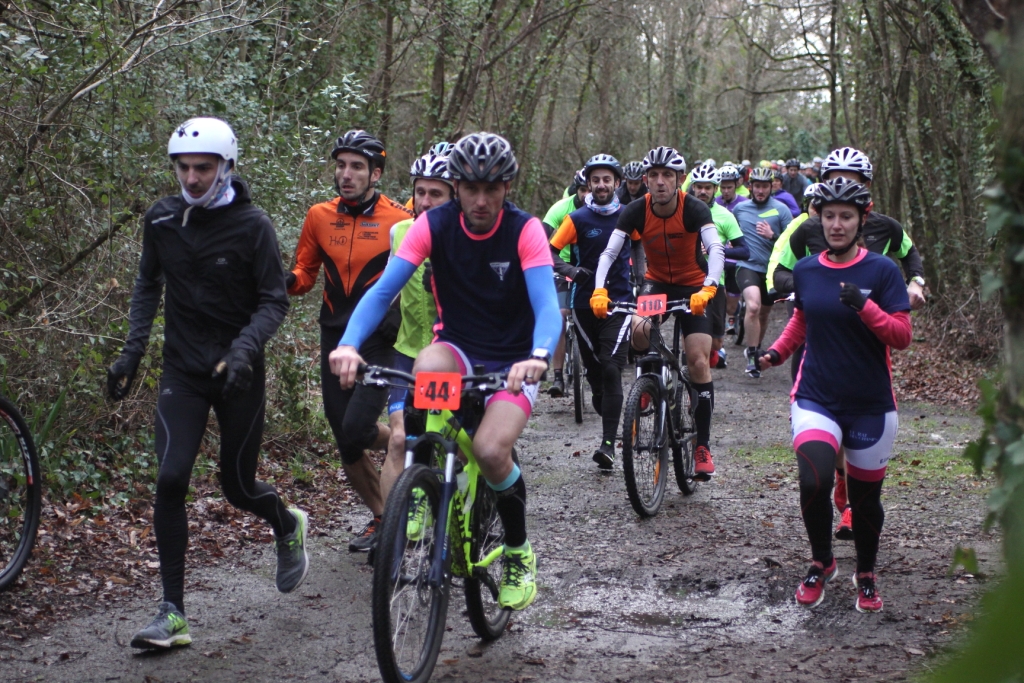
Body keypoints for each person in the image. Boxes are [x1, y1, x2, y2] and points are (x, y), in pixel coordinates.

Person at [330, 132, 560, 611]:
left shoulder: (525, 230)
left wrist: (538, 355)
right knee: (425, 368)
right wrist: (349, 343)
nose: (481, 201)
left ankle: (518, 553)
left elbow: (546, 305)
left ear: (507, 187)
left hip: (514, 359)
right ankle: (425, 479)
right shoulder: (432, 225)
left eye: (491, 189)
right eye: (470, 188)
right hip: (457, 347)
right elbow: (382, 291)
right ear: (456, 187)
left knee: (491, 451)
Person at [106, 118, 306, 650]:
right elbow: (147, 284)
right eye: (184, 167)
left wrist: (244, 349)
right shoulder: (161, 219)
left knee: (237, 487)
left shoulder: (253, 225)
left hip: (239, 373)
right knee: (171, 479)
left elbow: (274, 300)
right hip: (183, 371)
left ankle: (286, 524)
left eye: (203, 167)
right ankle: (172, 612)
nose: (192, 178)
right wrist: (131, 354)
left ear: (226, 167)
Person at [757, 177, 911, 612]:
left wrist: (865, 306)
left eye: (846, 216)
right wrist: (775, 353)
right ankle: (822, 561)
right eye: (829, 217)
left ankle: (866, 573)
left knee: (864, 500)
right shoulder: (806, 270)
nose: (837, 224)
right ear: (818, 220)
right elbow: (801, 321)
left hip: (870, 403)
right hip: (816, 396)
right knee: (814, 479)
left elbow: (901, 336)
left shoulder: (882, 271)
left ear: (862, 220)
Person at [286, 129, 413, 553]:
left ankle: (408, 443)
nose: (346, 174)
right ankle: (382, 516)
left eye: (357, 166)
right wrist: (281, 281)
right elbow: (305, 274)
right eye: (341, 165)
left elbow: (420, 276)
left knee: (357, 427)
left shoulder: (400, 219)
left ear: (376, 173)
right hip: (334, 334)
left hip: (381, 337)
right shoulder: (318, 216)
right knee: (346, 438)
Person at [590, 146, 724, 478]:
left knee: (698, 361)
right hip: (657, 284)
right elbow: (609, 253)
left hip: (695, 286)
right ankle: (650, 384)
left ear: (680, 179)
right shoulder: (636, 210)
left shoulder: (693, 208)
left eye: (667, 175)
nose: (660, 181)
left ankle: (702, 445)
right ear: (645, 179)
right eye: (653, 175)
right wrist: (599, 289)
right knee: (638, 333)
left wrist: (709, 287)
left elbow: (716, 248)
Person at [550, 154, 634, 469]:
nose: (601, 185)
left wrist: (644, 279)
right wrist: (571, 271)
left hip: (619, 301)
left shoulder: (629, 215)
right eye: (595, 180)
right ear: (588, 183)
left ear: (617, 183)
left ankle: (608, 445)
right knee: (596, 377)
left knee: (612, 367)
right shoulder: (577, 218)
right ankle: (614, 416)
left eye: (606, 180)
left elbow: (640, 246)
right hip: (584, 304)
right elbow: (549, 252)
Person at [381, 151, 454, 501]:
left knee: (454, 442)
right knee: (400, 439)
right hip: (407, 353)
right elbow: (385, 291)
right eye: (420, 192)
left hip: (451, 356)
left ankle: (458, 512)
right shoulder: (399, 233)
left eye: (435, 194)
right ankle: (391, 522)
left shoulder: (469, 238)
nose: (424, 202)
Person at [732, 167, 792, 377]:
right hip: (747, 266)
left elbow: (791, 242)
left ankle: (756, 349)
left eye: (764, 186)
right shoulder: (739, 209)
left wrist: (772, 235)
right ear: (750, 187)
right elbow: (730, 232)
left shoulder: (782, 210)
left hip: (772, 270)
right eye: (757, 186)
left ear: (771, 187)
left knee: (764, 313)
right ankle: (751, 354)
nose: (760, 190)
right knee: (754, 307)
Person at [689, 164, 748, 370]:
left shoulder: (725, 215)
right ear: (693, 187)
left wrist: (717, 250)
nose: (703, 191)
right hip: (686, 281)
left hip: (715, 282)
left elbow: (744, 251)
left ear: (716, 189)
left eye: (708, 187)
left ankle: (711, 354)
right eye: (699, 187)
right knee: (692, 340)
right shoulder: (681, 211)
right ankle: (692, 372)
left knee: (715, 342)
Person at [542, 172, 588, 397]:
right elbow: (542, 242)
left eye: (590, 190)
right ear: (576, 190)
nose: (587, 195)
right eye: (583, 190)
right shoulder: (560, 209)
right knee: (560, 316)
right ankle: (558, 376)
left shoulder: (600, 211)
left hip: (587, 268)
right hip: (561, 267)